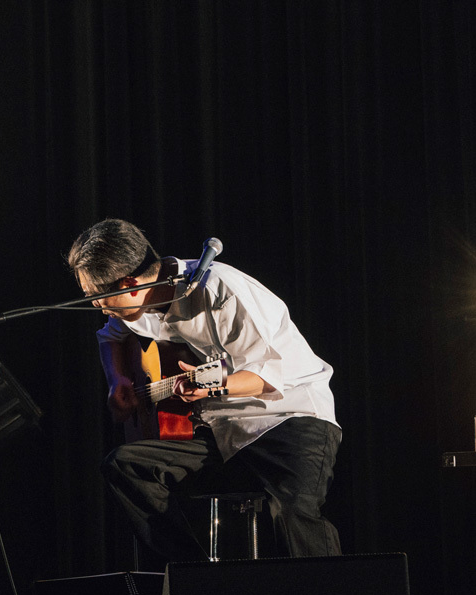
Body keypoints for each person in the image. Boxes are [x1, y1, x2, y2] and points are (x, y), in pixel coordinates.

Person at [66, 218, 341, 560]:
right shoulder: (137, 305)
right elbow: (111, 336)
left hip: (289, 418)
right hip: (223, 433)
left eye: (98, 297)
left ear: (129, 284)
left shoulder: (219, 291)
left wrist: (209, 387)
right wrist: (117, 380)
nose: (96, 305)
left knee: (290, 516)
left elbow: (265, 375)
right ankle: (195, 577)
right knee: (125, 467)